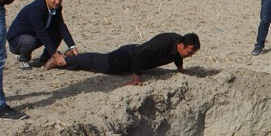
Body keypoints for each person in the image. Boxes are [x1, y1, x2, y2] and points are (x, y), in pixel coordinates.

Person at [46, 32, 200, 86]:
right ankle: (63, 60)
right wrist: (136, 77)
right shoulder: (162, 43)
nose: (190, 55)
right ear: (181, 45)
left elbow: (177, 57)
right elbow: (141, 55)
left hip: (135, 58)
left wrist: (180, 69)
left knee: (100, 63)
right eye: (190, 52)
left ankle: (70, 57)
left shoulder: (178, 47)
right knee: (103, 64)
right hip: (128, 56)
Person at [7, 0, 78, 70]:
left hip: (35, 35)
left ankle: (45, 58)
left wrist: (72, 47)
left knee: (57, 32)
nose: (57, 2)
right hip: (17, 40)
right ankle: (23, 60)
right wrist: (56, 54)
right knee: (29, 41)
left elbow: (61, 26)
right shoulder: (36, 8)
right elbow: (41, 32)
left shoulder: (57, 8)